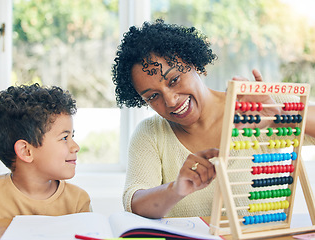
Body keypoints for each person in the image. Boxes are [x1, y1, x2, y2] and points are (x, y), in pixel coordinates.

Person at [112, 19, 315, 219]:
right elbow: (135, 203)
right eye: (153, 96)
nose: (171, 101)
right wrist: (176, 189)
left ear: (194, 64)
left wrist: (280, 117)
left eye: (174, 80)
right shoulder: (150, 133)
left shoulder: (259, 103)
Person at [0, 84, 91, 219]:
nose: (76, 147)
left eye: (72, 136)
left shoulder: (78, 201)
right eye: (65, 138)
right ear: (26, 151)